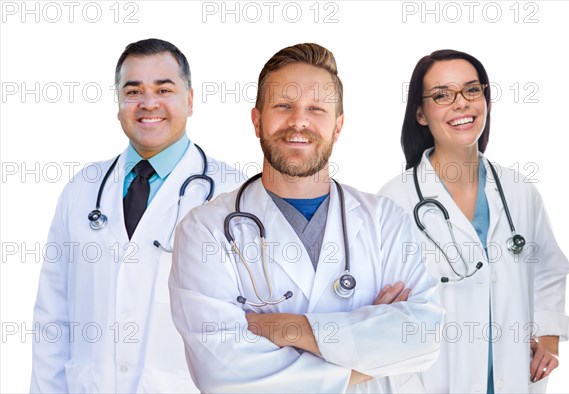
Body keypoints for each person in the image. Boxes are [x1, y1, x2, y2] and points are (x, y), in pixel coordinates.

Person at [169, 43, 444, 393]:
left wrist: (290, 329)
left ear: (338, 126)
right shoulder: (204, 230)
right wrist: (371, 355)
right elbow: (224, 375)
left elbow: (424, 335)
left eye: (316, 108)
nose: (298, 121)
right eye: (283, 106)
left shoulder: (385, 220)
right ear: (257, 120)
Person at [30, 38, 245, 393]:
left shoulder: (233, 194)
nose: (148, 103)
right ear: (118, 103)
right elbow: (52, 318)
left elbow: (253, 322)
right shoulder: (82, 188)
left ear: (190, 100)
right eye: (133, 91)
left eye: (164, 89)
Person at [379, 49, 569, 393]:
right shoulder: (394, 200)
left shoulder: (519, 190)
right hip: (430, 382)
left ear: (486, 99)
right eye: (442, 95)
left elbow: (549, 268)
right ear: (420, 114)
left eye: (471, 90)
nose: (461, 103)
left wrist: (550, 338)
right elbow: (380, 311)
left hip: (513, 377)